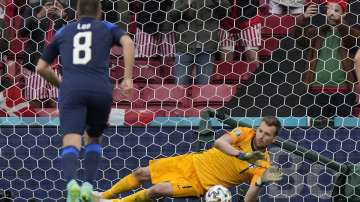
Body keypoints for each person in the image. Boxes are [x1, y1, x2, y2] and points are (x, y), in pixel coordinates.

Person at [35, 0, 135, 201]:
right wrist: (128, 77)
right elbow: (129, 42)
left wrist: (61, 84)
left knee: (71, 140)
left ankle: (72, 184)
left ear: (77, 13)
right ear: (99, 12)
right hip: (100, 89)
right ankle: (88, 186)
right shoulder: (107, 27)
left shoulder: (64, 31)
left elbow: (41, 67)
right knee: (94, 137)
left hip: (72, 88)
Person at [94, 116, 283, 202]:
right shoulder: (244, 132)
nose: (261, 136)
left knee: (157, 190)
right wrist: (242, 154)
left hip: (200, 184)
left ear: (273, 139)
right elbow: (218, 142)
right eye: (260, 131)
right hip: (191, 162)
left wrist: (260, 183)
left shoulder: (263, 165)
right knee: (140, 173)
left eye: (267, 134)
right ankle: (103, 196)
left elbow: (249, 198)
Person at [292, 0, 360, 125]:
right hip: (317, 91)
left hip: (343, 91)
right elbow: (299, 38)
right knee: (316, 129)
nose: (331, 13)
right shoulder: (317, 33)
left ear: (344, 14)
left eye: (336, 10)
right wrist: (303, 19)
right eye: (328, 9)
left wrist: (340, 22)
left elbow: (353, 39)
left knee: (344, 129)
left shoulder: (350, 33)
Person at [21, 0, 69, 108]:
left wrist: (64, 17)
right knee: (35, 102)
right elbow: (22, 31)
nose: (53, 7)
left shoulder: (68, 11)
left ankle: (57, 125)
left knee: (57, 104)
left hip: (59, 67)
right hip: (36, 64)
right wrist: (40, 15)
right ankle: (35, 125)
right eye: (49, 4)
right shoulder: (34, 8)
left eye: (56, 5)